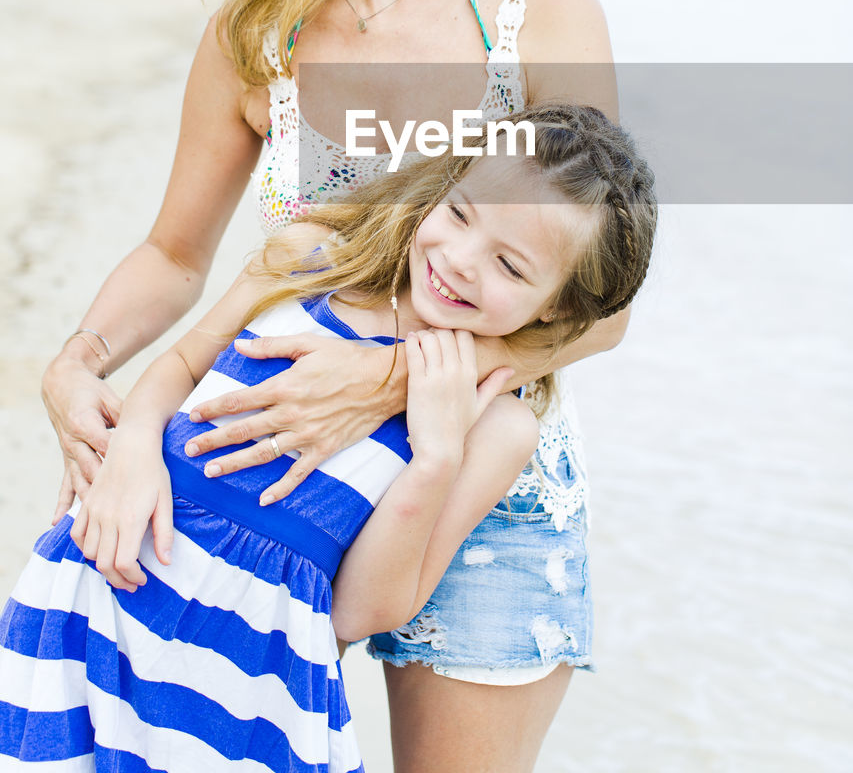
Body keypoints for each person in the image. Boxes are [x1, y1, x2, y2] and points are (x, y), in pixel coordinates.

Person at [40, 0, 627, 771]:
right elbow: (175, 256)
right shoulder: (255, 30)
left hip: (484, 494)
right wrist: (77, 363)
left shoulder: (541, 17)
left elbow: (604, 310)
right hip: (262, 483)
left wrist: (393, 377)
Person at [2, 107, 657, 772]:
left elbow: (359, 613)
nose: (458, 262)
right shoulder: (310, 261)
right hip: (96, 598)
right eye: (458, 214)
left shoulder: (494, 425)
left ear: (558, 308)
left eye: (510, 267)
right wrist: (136, 443)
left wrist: (433, 458)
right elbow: (181, 364)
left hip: (247, 684)